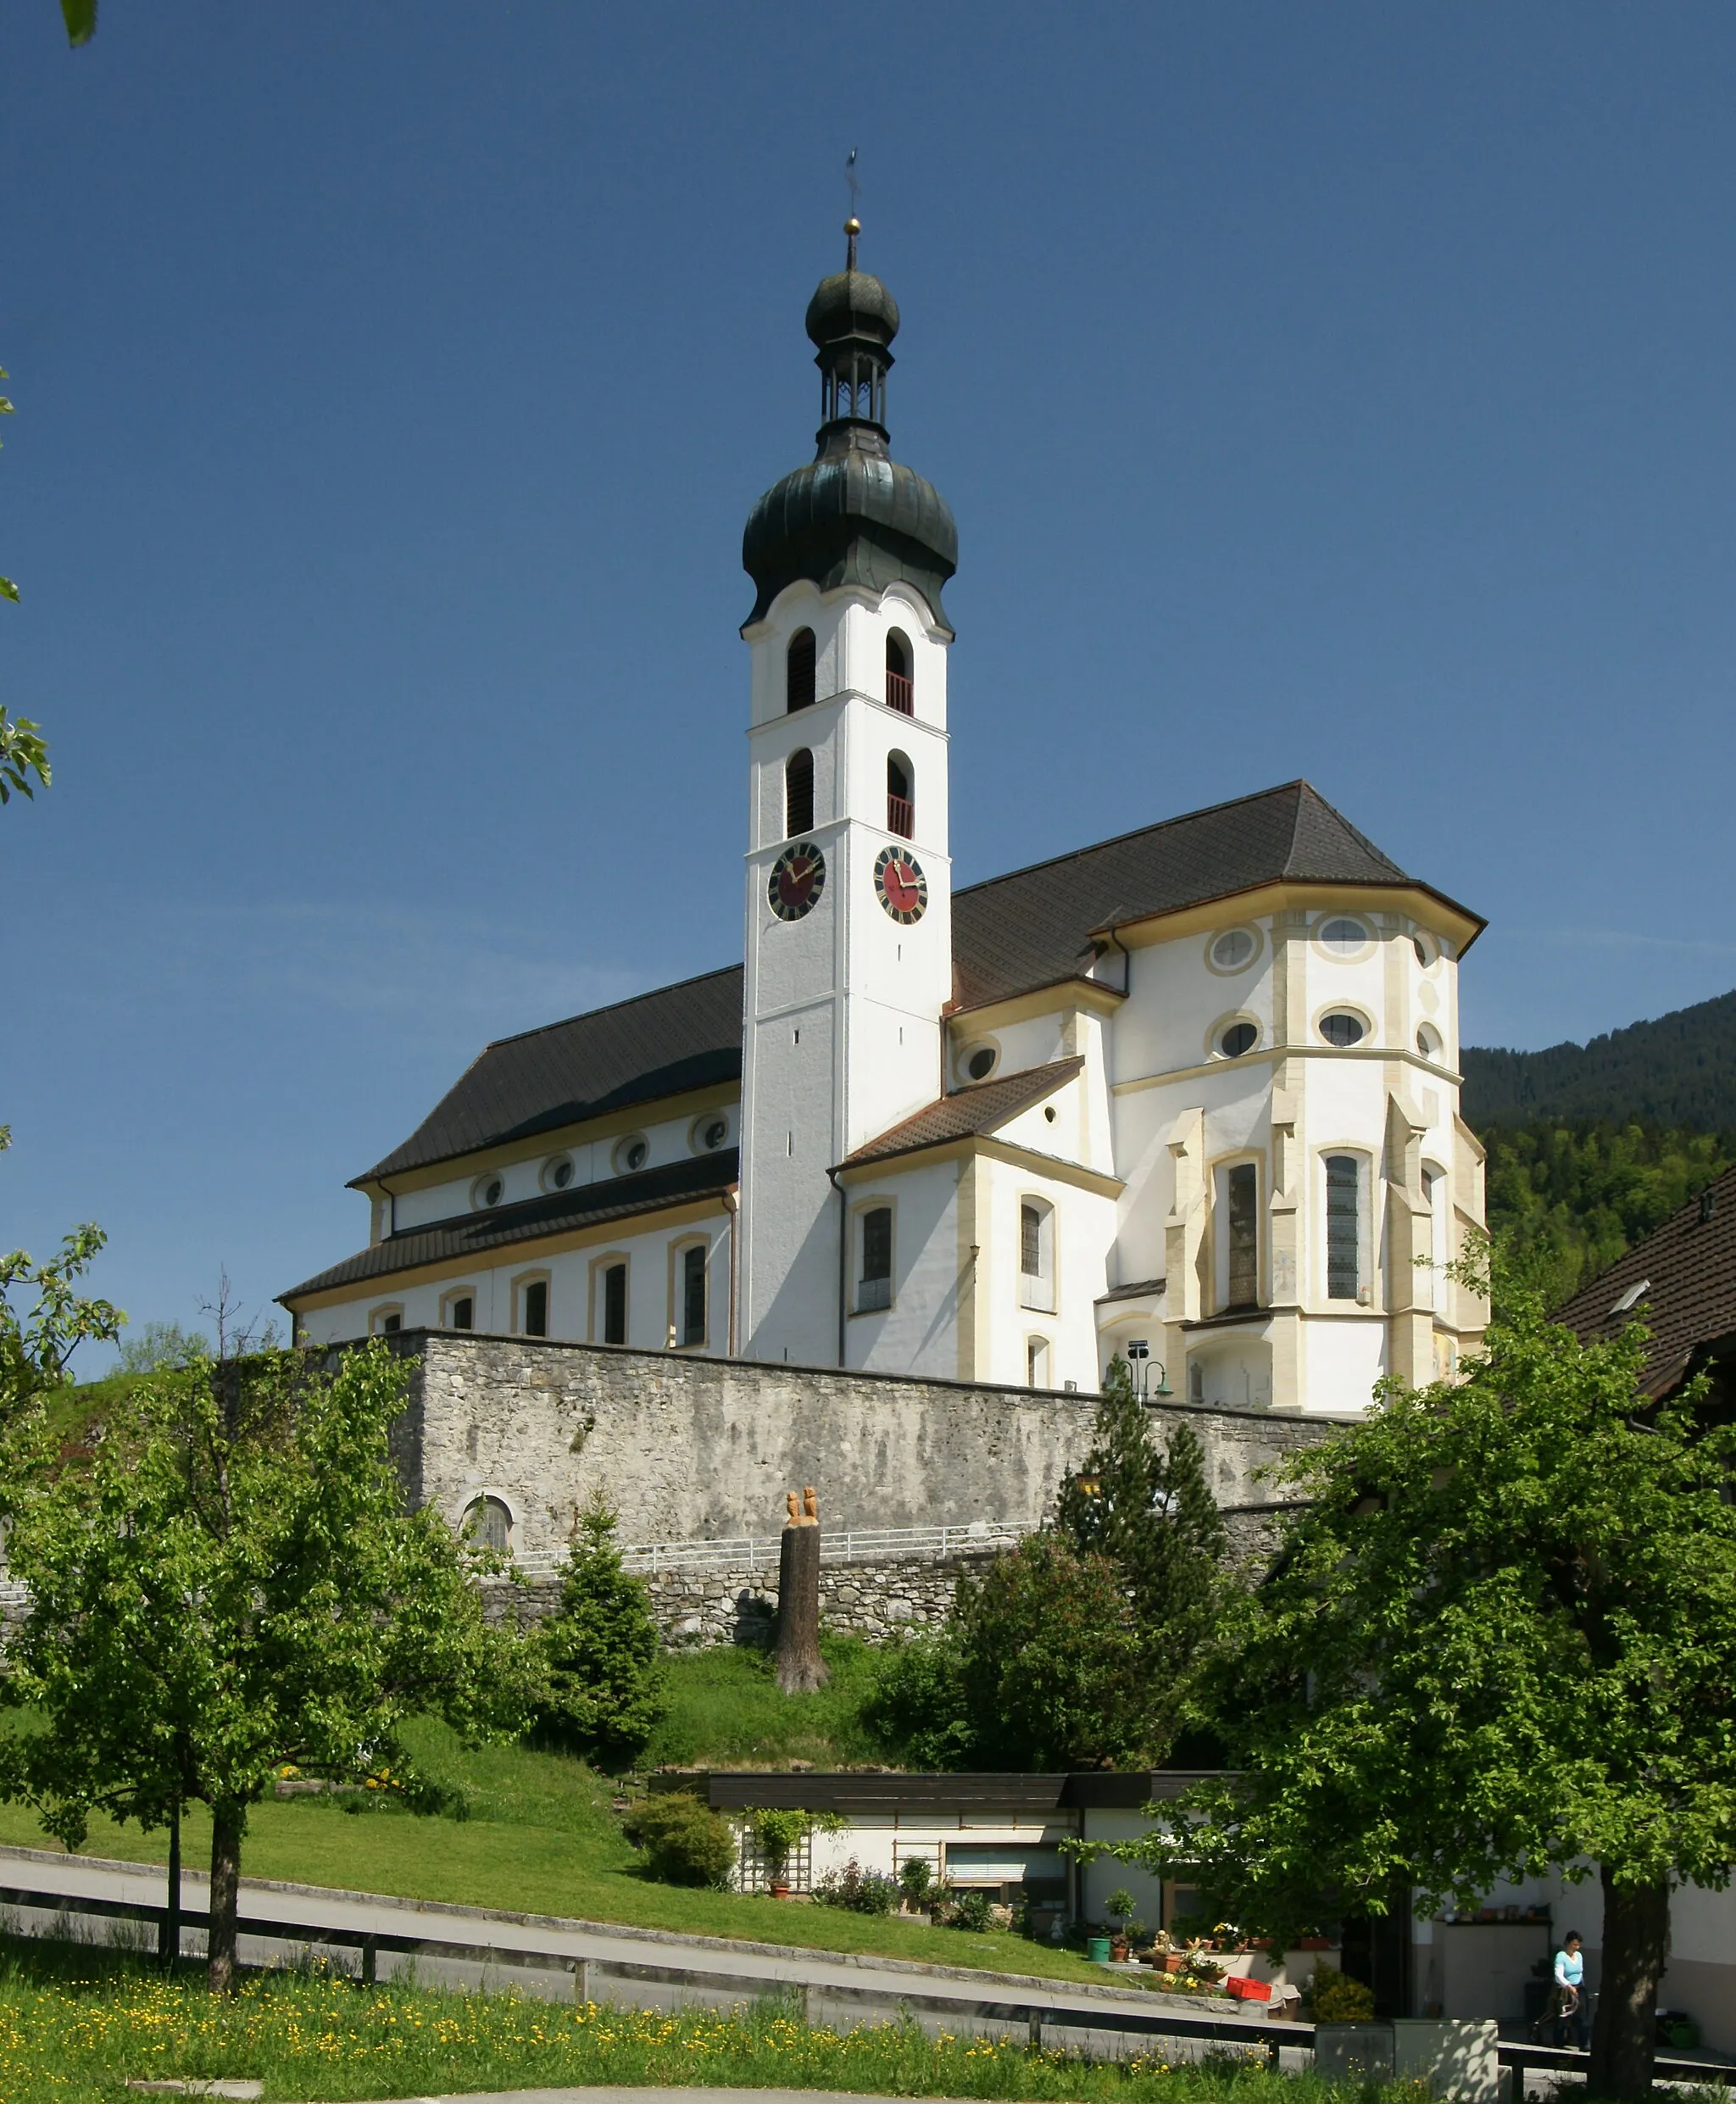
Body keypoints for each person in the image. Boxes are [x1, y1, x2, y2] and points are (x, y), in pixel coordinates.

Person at [1552, 1930, 1590, 2050]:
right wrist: (1569, 1986)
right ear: (1568, 1943)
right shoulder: (1561, 1956)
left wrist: (1582, 1987)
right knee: (1563, 2017)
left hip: (1579, 1987)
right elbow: (1558, 1975)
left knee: (1582, 2017)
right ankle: (1559, 2042)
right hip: (1565, 1989)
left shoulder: (1579, 1956)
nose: (1577, 1947)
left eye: (1578, 1945)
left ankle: (1584, 2044)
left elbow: (1580, 1972)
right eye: (1574, 1945)